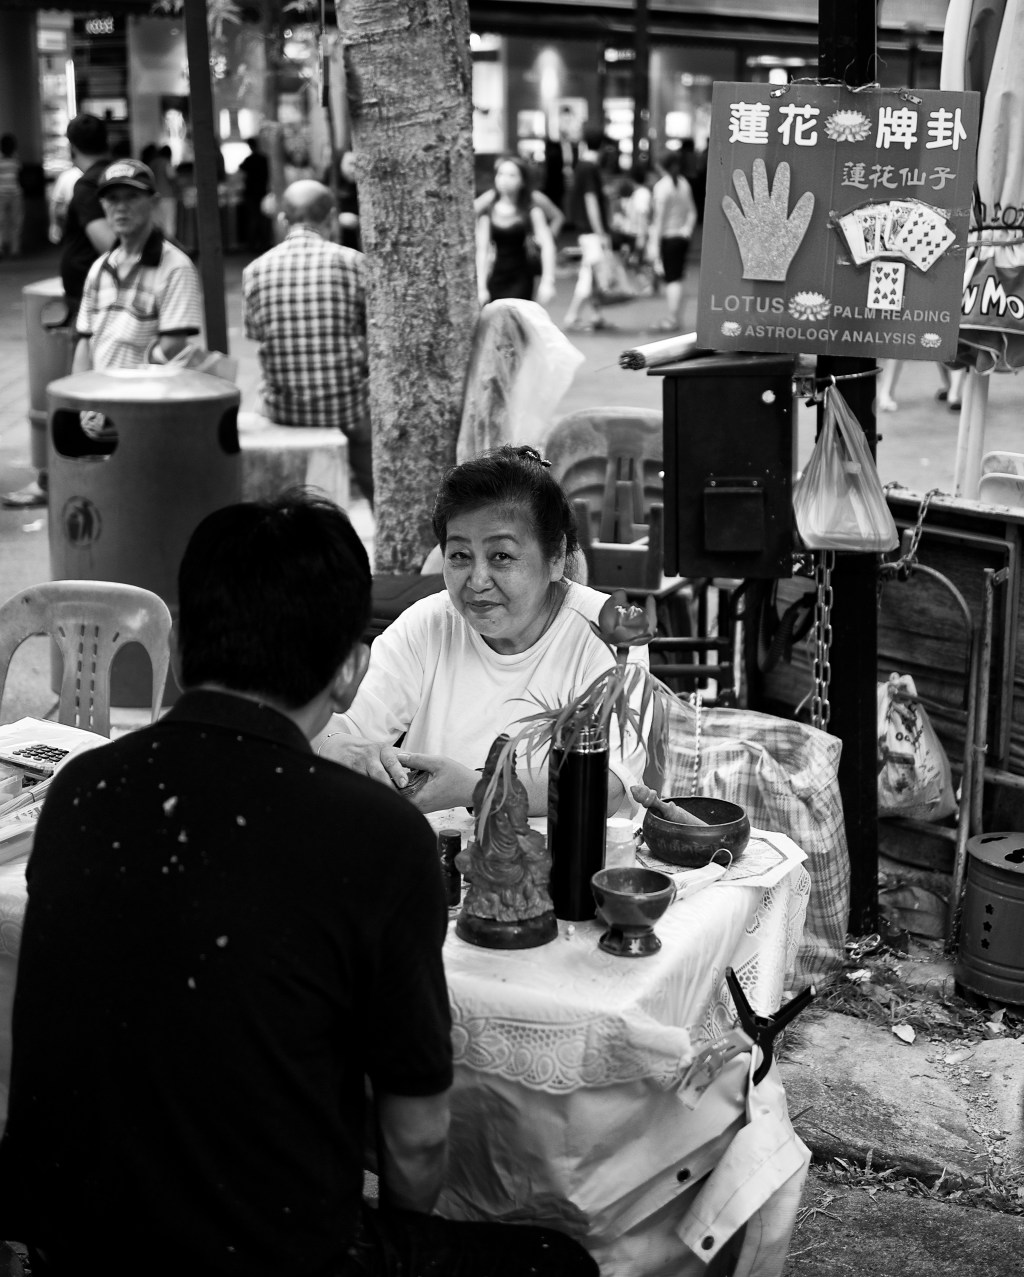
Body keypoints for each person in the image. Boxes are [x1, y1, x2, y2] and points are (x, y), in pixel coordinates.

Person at [0, 493, 597, 1277]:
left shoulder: (85, 789)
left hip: (68, 1235)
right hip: (268, 1253)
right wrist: (404, 1245)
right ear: (351, 673)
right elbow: (415, 1139)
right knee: (561, 1262)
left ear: (178, 653)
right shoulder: (380, 838)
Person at [316, 444, 648, 816]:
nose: (476, 581)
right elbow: (334, 725)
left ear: (555, 557)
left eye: (501, 556)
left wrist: (477, 788)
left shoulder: (608, 631)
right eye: (459, 556)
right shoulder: (428, 624)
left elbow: (608, 785)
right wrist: (338, 743)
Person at [2, 116, 112, 510]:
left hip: (92, 302)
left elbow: (110, 245)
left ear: (70, 145)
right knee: (85, 390)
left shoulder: (87, 183)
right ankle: (75, 475)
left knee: (76, 390)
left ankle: (61, 480)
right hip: (95, 301)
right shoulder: (110, 173)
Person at [242, 179, 373, 505]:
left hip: (283, 410)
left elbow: (257, 335)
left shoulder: (255, 270)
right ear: (331, 218)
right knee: (373, 464)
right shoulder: (355, 263)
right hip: (347, 411)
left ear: (283, 220)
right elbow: (370, 332)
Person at [72, 159, 203, 377]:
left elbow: (172, 346)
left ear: (154, 202)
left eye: (132, 197)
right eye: (112, 199)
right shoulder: (99, 269)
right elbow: (85, 342)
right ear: (102, 206)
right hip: (100, 401)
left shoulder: (175, 267)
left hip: (147, 401)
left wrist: (127, 383)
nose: (121, 207)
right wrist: (80, 400)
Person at [475, 154, 557, 308]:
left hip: (522, 277)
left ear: (522, 181)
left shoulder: (531, 211)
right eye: (500, 174)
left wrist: (548, 280)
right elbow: (483, 250)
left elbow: (548, 245)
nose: (504, 179)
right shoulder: (488, 211)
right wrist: (481, 286)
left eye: (512, 175)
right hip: (496, 276)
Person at [562, 127, 613, 332]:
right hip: (591, 232)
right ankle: (572, 316)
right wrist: (601, 232)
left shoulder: (581, 166)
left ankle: (595, 315)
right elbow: (590, 200)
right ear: (603, 146)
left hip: (584, 230)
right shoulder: (590, 168)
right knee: (588, 274)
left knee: (592, 274)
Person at [647, 149, 698, 332]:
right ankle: (675, 317)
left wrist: (654, 244)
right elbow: (693, 212)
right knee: (678, 278)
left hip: (668, 238)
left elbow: (658, 220)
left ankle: (672, 319)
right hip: (681, 238)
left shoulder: (662, 187)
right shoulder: (683, 183)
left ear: (660, 166)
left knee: (672, 280)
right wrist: (686, 230)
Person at [239, 135, 270, 254]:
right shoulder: (264, 159)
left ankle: (252, 244)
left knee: (254, 219)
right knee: (262, 219)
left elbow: (241, 171)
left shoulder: (250, 160)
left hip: (251, 193)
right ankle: (264, 243)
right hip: (262, 192)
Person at [0, 133, 22, 259]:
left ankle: (10, 249)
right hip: (9, 193)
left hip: (8, 193)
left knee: (8, 222)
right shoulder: (14, 159)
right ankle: (10, 249)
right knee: (11, 222)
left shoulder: (13, 158)